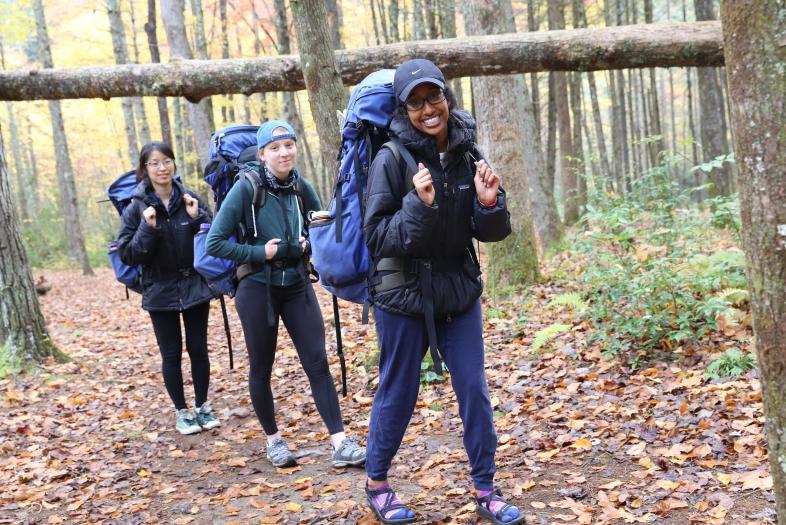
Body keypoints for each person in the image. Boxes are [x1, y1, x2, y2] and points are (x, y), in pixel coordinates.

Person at [362, 59, 523, 525]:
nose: (428, 109)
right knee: (399, 390)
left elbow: (490, 231)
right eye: (416, 103)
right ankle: (377, 484)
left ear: (447, 98)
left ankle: (485, 488)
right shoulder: (391, 159)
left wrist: (491, 205)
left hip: (457, 290)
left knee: (473, 387)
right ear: (404, 109)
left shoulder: (468, 153)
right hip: (402, 294)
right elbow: (375, 238)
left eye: (434, 98)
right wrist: (419, 204)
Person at [205, 120, 366, 469]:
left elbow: (321, 225)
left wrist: (312, 243)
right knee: (262, 367)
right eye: (275, 148)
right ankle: (273, 441)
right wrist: (258, 253)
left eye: (289, 145)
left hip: (295, 284)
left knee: (317, 362)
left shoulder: (300, 186)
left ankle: (340, 442)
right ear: (262, 154)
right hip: (256, 288)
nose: (284, 152)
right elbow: (215, 242)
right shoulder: (245, 189)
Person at [117, 141, 220, 435]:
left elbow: (212, 238)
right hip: (159, 288)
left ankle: (202, 406)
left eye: (167, 161)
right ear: (145, 169)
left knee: (198, 348)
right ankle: (182, 411)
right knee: (171, 353)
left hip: (194, 285)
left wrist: (197, 217)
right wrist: (146, 228)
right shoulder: (136, 208)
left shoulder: (190, 198)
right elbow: (128, 254)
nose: (162, 168)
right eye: (154, 163)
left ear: (174, 164)